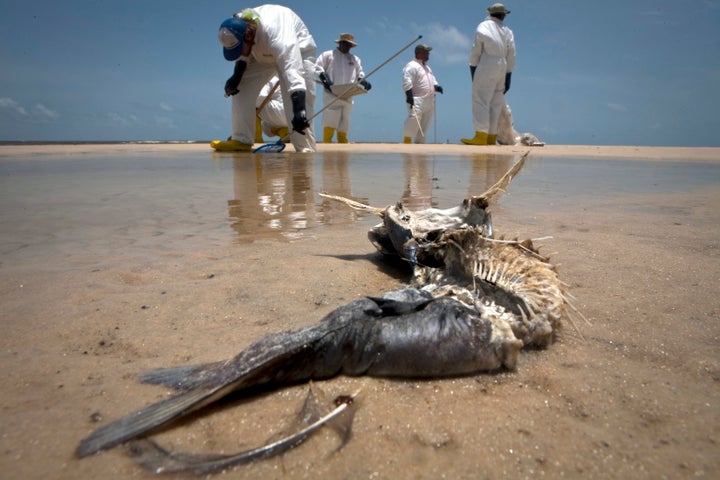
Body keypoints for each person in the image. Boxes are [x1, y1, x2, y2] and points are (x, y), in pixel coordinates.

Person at [211, 5, 317, 153]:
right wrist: (236, 77)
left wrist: (299, 111)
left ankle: (305, 148)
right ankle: (241, 139)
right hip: (259, 52)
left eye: (239, 48)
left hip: (299, 51)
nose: (238, 53)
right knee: (242, 87)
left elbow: (293, 70)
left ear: (248, 36)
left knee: (299, 104)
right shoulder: (241, 27)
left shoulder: (278, 36)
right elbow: (244, 54)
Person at [461, 3, 516, 146]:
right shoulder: (508, 31)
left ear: (491, 13)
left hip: (487, 63)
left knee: (480, 99)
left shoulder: (483, 26)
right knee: (496, 102)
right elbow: (512, 54)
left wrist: (473, 69)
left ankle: (480, 135)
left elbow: (476, 51)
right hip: (502, 66)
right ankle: (491, 137)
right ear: (503, 15)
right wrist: (508, 74)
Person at [315, 33, 371, 144]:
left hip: (348, 93)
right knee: (330, 118)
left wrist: (363, 81)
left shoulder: (355, 59)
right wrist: (324, 78)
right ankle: (327, 144)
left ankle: (343, 146)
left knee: (344, 121)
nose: (347, 46)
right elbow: (318, 67)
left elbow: (360, 73)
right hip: (332, 92)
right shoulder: (328, 55)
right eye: (345, 43)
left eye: (349, 44)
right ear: (340, 43)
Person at [402, 44, 443, 144]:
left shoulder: (428, 68)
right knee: (414, 119)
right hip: (417, 99)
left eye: (428, 52)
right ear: (419, 53)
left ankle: (419, 144)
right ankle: (407, 140)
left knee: (425, 125)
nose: (428, 54)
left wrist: (436, 86)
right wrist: (409, 95)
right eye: (426, 52)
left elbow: (432, 80)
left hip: (429, 100)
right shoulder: (411, 65)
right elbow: (407, 80)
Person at [255, 75, 289, 142]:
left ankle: (255, 139)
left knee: (249, 106)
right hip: (290, 116)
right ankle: (284, 133)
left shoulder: (266, 77)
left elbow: (261, 96)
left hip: (279, 110)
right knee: (266, 127)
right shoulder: (277, 79)